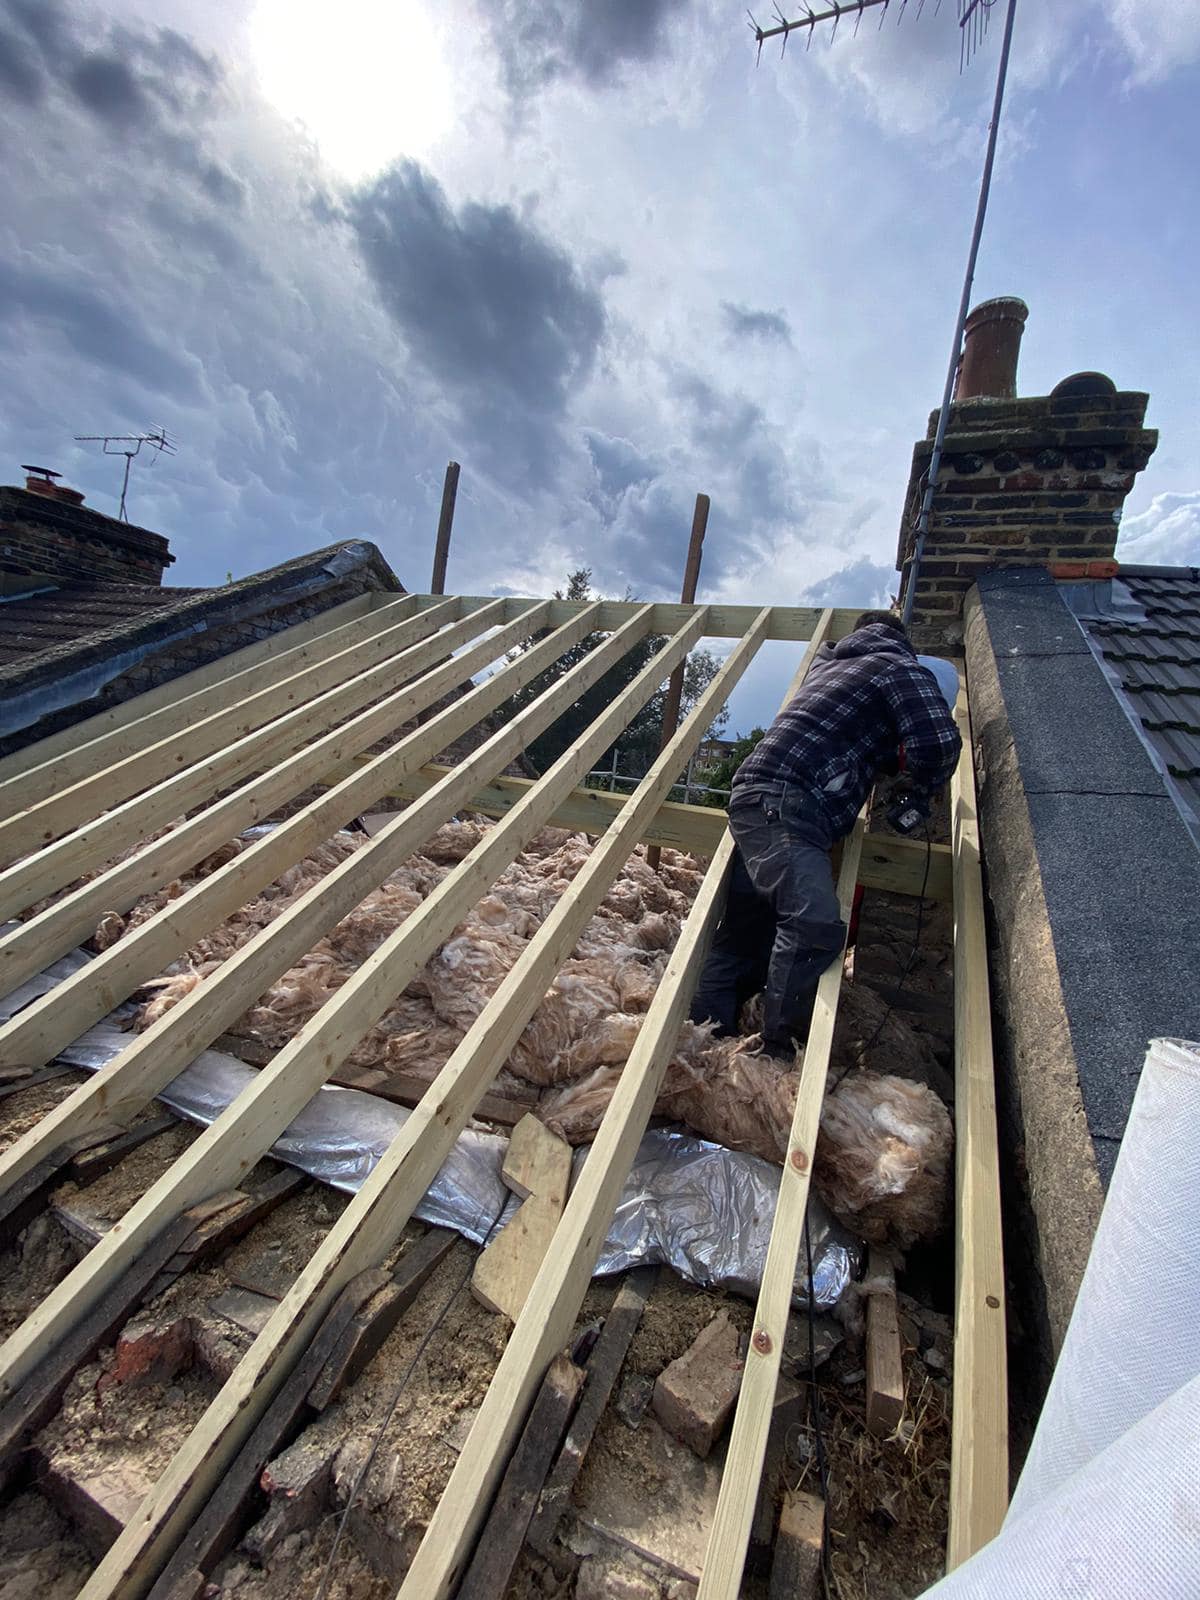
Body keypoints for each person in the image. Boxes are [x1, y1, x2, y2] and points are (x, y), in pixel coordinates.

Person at [690, 610, 962, 1059]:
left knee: (745, 936)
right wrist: (918, 788)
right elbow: (936, 741)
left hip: (755, 801)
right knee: (813, 925)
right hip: (791, 803)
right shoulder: (897, 664)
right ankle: (779, 1057)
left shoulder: (829, 669)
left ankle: (704, 1052)